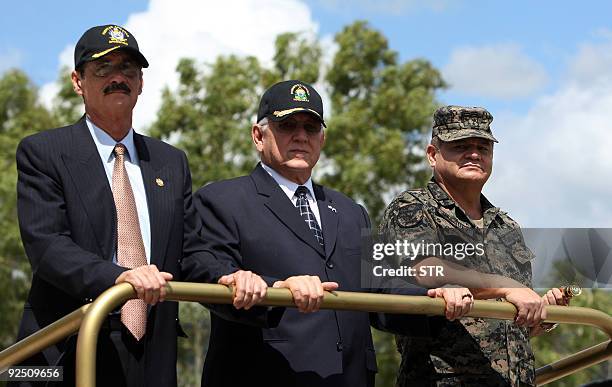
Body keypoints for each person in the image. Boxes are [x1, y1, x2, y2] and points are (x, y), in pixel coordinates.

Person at [13, 24, 265, 387]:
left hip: (151, 356)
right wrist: (119, 277)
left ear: (141, 82)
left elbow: (190, 253)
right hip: (64, 352)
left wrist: (229, 275)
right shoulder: (44, 152)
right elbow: (48, 247)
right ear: (77, 81)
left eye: (128, 69)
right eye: (103, 68)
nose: (118, 78)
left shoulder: (170, 162)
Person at [184, 80, 474, 387]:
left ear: (322, 138)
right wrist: (276, 289)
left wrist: (433, 296)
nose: (300, 136)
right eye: (287, 125)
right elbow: (209, 270)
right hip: (267, 375)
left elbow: (379, 288)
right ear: (258, 135)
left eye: (310, 127)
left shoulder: (350, 210)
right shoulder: (223, 200)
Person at [380, 105, 570, 386]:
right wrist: (508, 286)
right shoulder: (413, 208)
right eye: (460, 145)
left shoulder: (507, 227)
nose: (474, 154)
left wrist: (541, 314)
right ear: (433, 155)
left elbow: (504, 328)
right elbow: (422, 269)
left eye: (483, 147)